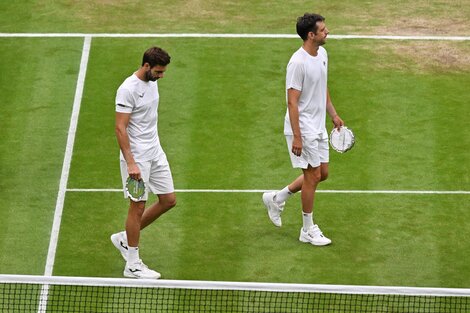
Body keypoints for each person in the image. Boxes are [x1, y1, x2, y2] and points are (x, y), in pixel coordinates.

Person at [262, 13, 344, 246]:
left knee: (322, 174)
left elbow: (322, 86)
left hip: (317, 126)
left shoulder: (323, 54)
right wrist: (297, 136)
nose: (327, 32)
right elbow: (292, 102)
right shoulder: (297, 63)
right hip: (303, 128)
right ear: (311, 35)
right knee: (313, 175)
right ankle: (307, 229)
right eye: (323, 30)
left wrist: (333, 114)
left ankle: (277, 198)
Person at [111, 46, 176, 279]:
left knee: (169, 200)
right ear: (146, 66)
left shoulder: (152, 81)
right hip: (136, 157)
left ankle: (123, 238)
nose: (161, 76)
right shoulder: (127, 90)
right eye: (158, 71)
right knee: (137, 206)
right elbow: (120, 127)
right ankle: (132, 264)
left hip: (155, 151)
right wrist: (130, 163)